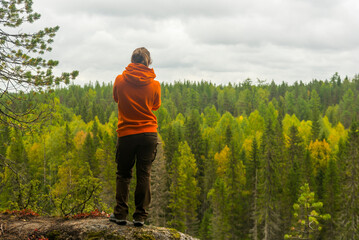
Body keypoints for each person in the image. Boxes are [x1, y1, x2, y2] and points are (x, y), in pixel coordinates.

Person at [110, 47, 161, 227]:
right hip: (148, 134)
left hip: (126, 133)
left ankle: (120, 214)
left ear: (132, 60)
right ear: (148, 62)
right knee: (144, 174)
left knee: (123, 174)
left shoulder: (120, 80)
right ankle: (139, 217)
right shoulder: (154, 84)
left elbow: (117, 98)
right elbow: (155, 106)